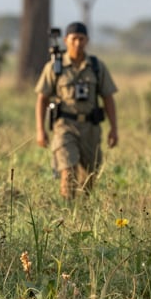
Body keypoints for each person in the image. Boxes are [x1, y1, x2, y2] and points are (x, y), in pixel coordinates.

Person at [35, 22, 118, 199]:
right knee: (68, 170)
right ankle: (67, 207)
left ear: (87, 40)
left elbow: (108, 98)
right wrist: (40, 130)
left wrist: (114, 129)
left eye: (81, 39)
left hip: (90, 127)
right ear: (66, 40)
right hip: (64, 126)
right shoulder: (55, 67)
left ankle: (84, 208)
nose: (77, 43)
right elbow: (42, 99)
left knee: (90, 175)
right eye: (74, 39)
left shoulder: (96, 66)